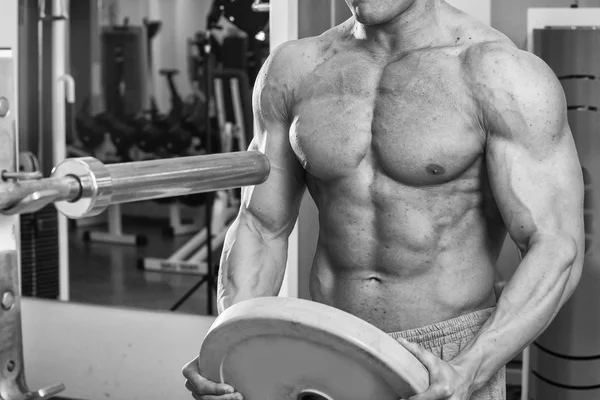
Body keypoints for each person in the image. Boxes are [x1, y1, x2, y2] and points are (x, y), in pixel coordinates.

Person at [182, 0, 585, 399]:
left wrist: (471, 368)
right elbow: (260, 225)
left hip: (445, 360)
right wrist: (230, 337)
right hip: (325, 341)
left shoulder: (500, 74)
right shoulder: (295, 70)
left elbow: (555, 245)